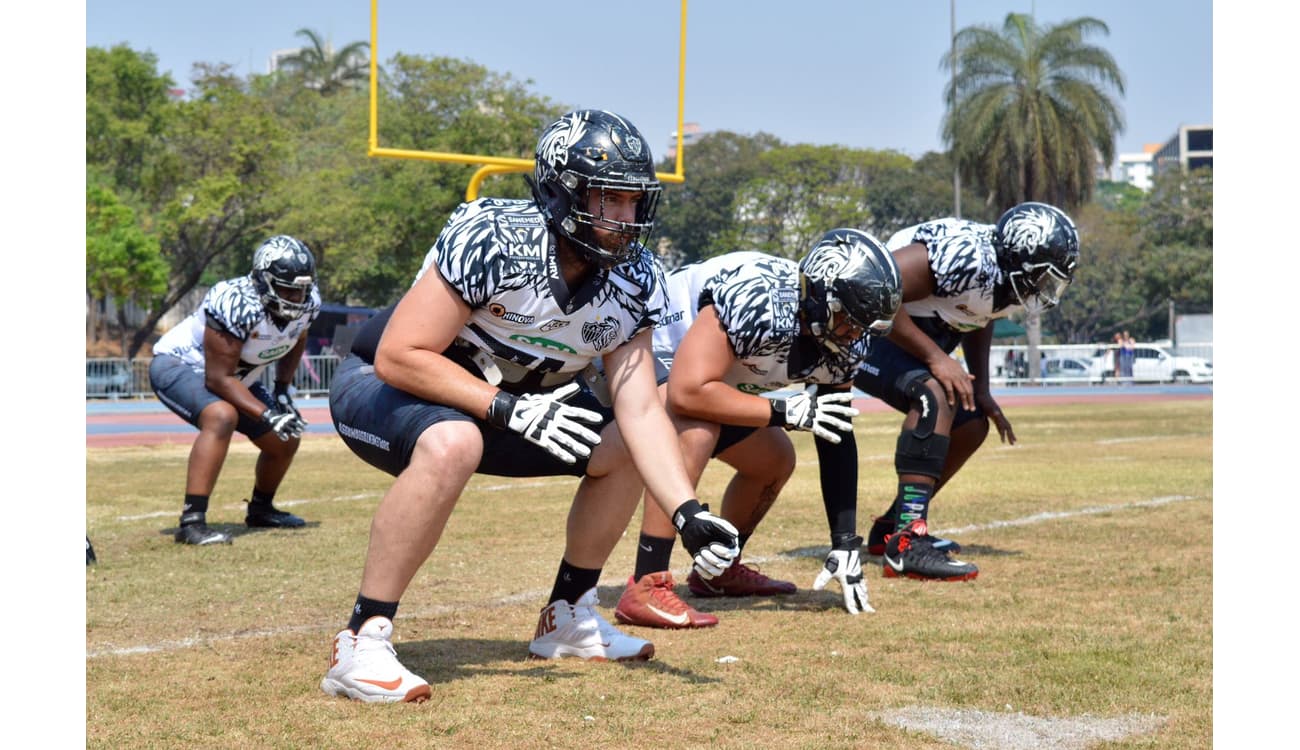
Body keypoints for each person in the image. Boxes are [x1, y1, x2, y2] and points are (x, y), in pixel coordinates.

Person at [320, 110, 741, 704]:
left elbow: (643, 409)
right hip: (387, 387)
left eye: (633, 202)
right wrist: (507, 408)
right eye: (609, 199)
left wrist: (687, 511)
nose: (626, 219)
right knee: (454, 441)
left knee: (621, 446)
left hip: (504, 406)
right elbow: (400, 355)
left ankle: (567, 616)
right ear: (560, 191)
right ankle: (361, 639)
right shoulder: (494, 237)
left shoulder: (638, 277)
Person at [609, 229, 903, 628]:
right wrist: (783, 411)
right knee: (696, 429)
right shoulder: (759, 297)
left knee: (774, 460)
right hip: (650, 351)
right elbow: (687, 392)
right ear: (817, 293)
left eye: (863, 325)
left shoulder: (848, 337)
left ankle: (718, 572)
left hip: (714, 376)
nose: (854, 334)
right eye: (848, 319)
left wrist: (845, 542)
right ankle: (646, 583)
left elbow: (834, 429)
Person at [854, 201, 1080, 580]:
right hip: (861, 329)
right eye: (1043, 277)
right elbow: (871, 288)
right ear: (1019, 259)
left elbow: (979, 317)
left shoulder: (1003, 278)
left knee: (972, 421)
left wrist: (984, 388)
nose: (1045, 288)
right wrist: (937, 359)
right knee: (934, 394)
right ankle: (908, 542)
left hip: (907, 334)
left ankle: (892, 527)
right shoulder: (966, 256)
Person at [149, 235, 320, 545]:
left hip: (236, 380)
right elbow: (217, 379)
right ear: (263, 281)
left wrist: (282, 390)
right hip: (182, 366)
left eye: (301, 289)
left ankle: (261, 509)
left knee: (286, 438)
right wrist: (266, 413)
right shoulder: (234, 301)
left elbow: (299, 336)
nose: (296, 298)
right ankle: (192, 523)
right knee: (221, 416)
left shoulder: (308, 303)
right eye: (287, 289)